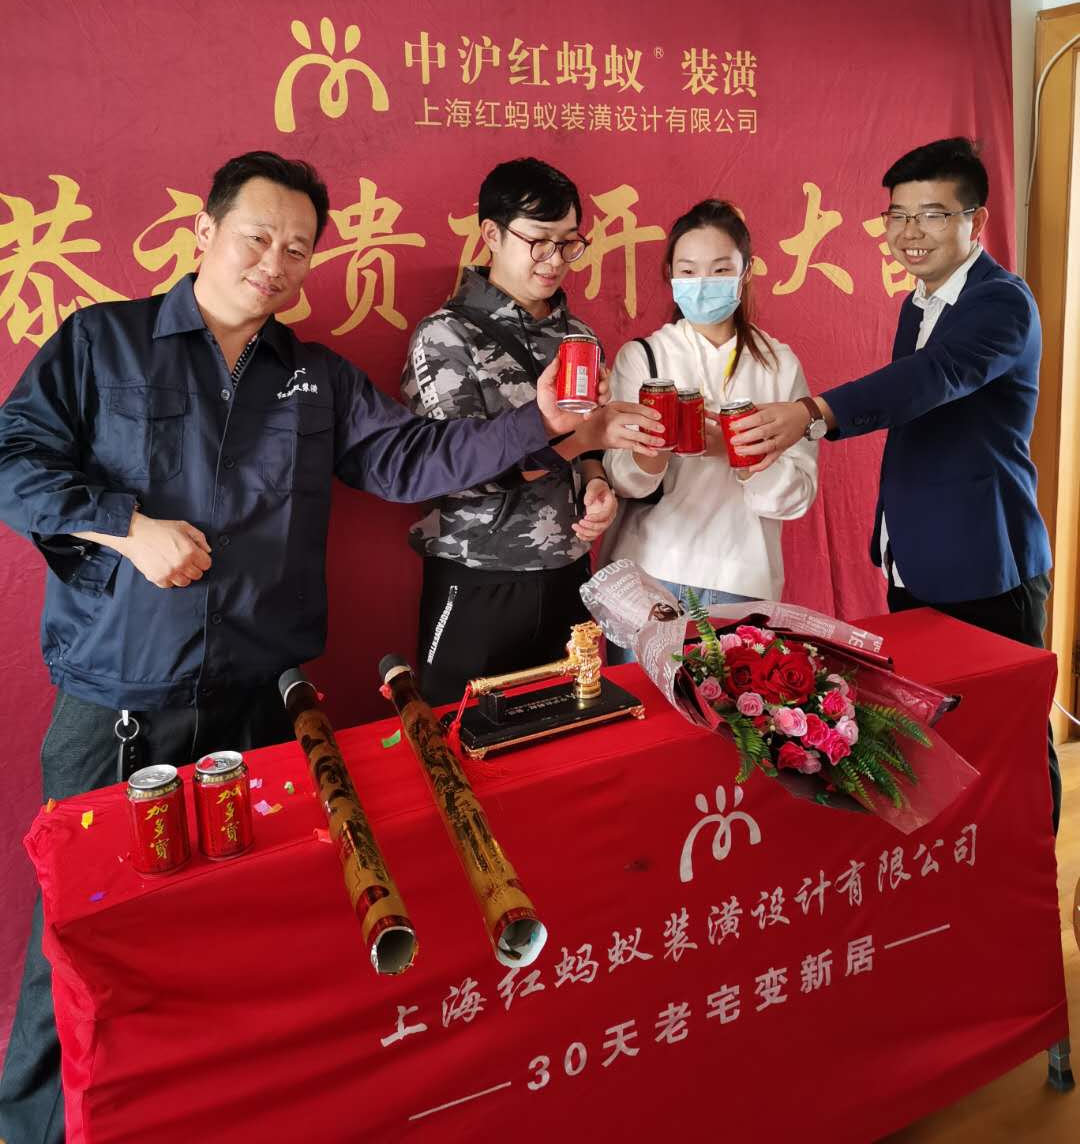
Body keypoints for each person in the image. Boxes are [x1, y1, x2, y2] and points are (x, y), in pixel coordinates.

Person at [0, 149, 606, 1144]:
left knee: (247, 939)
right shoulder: (103, 343)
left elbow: (411, 458)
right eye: (257, 238)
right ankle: (34, 1126)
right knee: (77, 943)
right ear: (204, 232)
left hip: (260, 707)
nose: (274, 264)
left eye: (296, 249)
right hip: (119, 706)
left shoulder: (314, 379)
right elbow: (12, 460)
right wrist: (124, 527)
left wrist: (535, 420)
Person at [730, 137, 1060, 829]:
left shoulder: (1001, 302)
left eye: (932, 215)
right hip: (914, 553)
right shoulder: (922, 300)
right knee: (937, 734)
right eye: (898, 215)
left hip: (985, 562)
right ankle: (960, 865)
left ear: (976, 220)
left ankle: (1031, 868)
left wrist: (813, 412)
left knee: (1012, 735)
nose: (911, 233)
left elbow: (933, 378)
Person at [401, 157, 662, 704]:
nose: (556, 260)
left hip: (568, 573)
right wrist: (586, 440)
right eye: (539, 242)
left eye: (568, 244)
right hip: (478, 576)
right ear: (491, 235)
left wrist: (595, 481)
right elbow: (460, 474)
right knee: (460, 729)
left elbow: (588, 442)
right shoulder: (446, 337)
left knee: (571, 726)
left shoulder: (579, 336)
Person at [602, 198, 818, 661]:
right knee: (642, 705)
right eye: (688, 270)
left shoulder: (779, 364)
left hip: (743, 579)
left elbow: (797, 496)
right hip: (651, 573)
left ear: (747, 270)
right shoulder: (643, 357)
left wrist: (732, 449)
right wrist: (656, 447)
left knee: (736, 706)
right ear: (670, 274)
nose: (702, 284)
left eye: (720, 270)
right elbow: (624, 480)